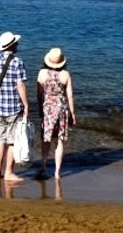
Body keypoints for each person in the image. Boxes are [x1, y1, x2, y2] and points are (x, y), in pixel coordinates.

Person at [0, 30, 29, 182]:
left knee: (1, 139)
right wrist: (26, 105)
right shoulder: (17, 62)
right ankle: (8, 173)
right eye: (16, 42)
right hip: (13, 107)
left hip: (0, 107)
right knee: (13, 141)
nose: (18, 44)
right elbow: (20, 86)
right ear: (11, 45)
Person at [35, 46, 76, 179]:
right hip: (61, 109)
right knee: (59, 141)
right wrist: (72, 113)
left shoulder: (42, 73)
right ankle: (57, 172)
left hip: (47, 109)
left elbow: (39, 95)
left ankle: (43, 165)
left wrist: (40, 110)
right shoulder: (65, 75)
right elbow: (70, 96)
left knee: (46, 139)